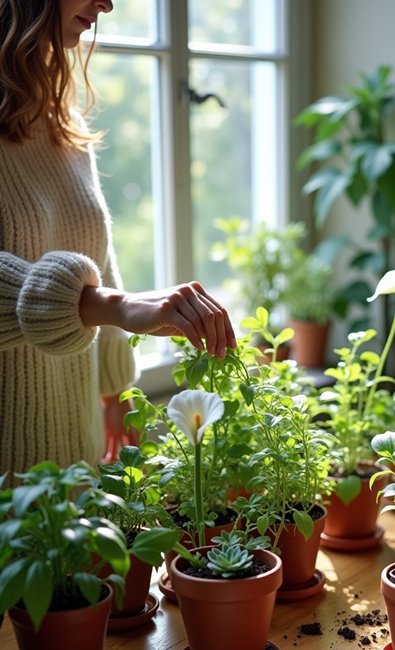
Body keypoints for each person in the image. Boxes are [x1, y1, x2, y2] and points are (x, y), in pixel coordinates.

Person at [0, 0, 236, 478]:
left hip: (74, 446)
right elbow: (97, 292)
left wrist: (114, 391)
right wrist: (118, 307)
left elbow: (96, 256)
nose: (106, 3)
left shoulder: (60, 116)